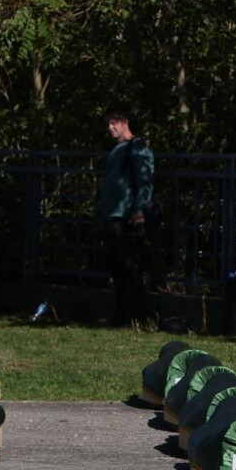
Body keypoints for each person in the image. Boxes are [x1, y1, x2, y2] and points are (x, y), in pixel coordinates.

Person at [98, 109, 154, 327]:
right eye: (108, 124)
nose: (110, 128)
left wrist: (139, 208)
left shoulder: (136, 147)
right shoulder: (118, 150)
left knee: (131, 267)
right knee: (117, 269)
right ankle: (120, 314)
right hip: (112, 216)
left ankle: (135, 314)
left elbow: (145, 179)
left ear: (125, 123)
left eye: (114, 123)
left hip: (127, 218)